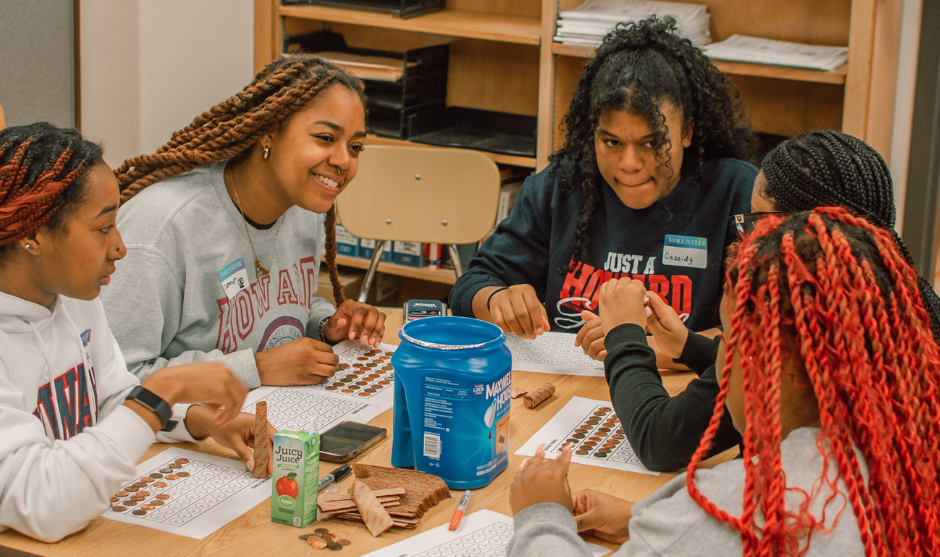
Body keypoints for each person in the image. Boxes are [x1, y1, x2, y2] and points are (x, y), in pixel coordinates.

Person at [507, 207, 940, 557]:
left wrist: (542, 516)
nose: (721, 359)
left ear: (772, 364)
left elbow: (714, 527)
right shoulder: (907, 460)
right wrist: (647, 516)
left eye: (730, 340)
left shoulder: (738, 508)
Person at [0, 123, 270, 542]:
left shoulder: (71, 295)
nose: (120, 247)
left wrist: (192, 418)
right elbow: (45, 502)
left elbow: (111, 401)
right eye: (103, 227)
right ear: (33, 235)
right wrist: (160, 392)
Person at [613, 130, 940, 473]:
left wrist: (625, 333)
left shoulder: (791, 325)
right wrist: (690, 347)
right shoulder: (897, 308)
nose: (747, 240)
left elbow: (661, 441)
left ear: (802, 234)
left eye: (756, 222)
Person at [448, 16, 757, 367]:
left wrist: (649, 351)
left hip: (678, 398)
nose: (628, 163)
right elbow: (470, 287)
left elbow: (763, 336)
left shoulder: (737, 193)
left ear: (687, 130)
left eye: (652, 143)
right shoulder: (561, 186)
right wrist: (498, 300)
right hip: (567, 391)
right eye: (611, 141)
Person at [100, 55, 386, 390]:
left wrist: (325, 325)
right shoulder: (162, 227)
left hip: (267, 414)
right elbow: (116, 379)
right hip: (183, 434)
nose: (343, 161)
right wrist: (257, 368)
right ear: (268, 132)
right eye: (325, 138)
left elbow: (287, 305)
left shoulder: (304, 206)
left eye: (355, 147)